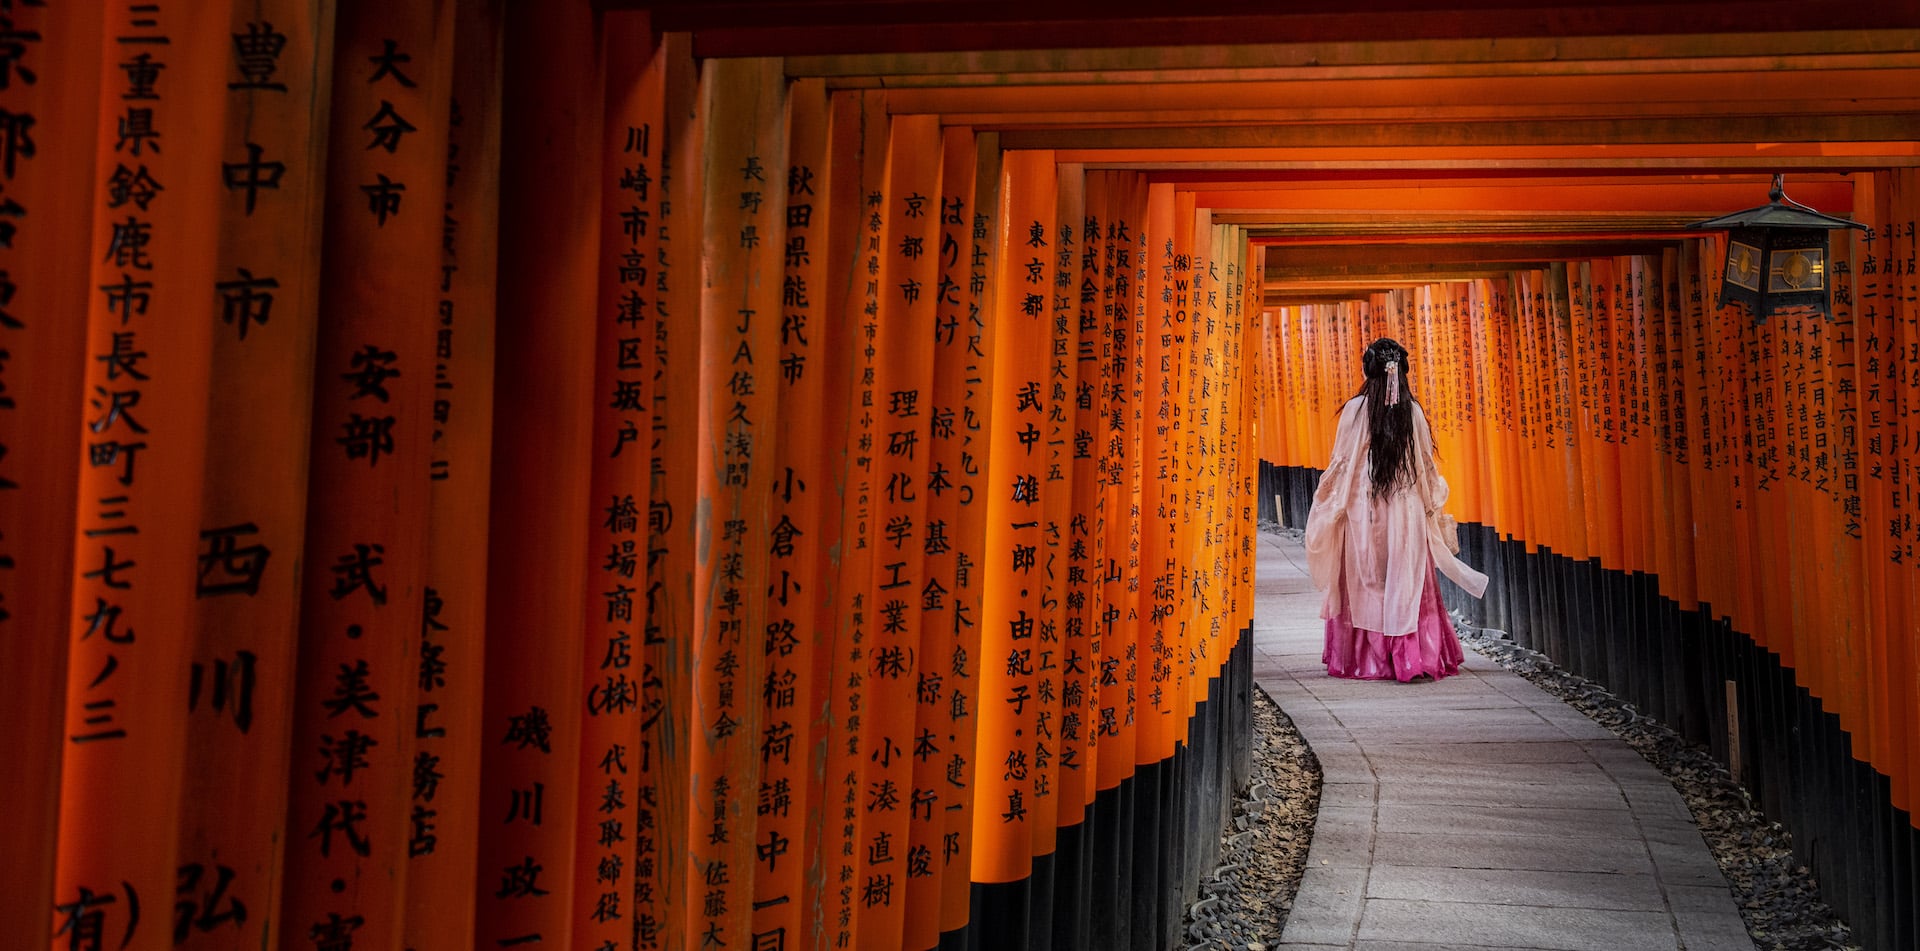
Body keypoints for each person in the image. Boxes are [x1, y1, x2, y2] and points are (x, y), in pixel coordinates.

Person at [1304, 337, 1488, 682]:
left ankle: (1365, 659)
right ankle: (1408, 657)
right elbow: (1424, 467)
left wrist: (1327, 507)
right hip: (1405, 509)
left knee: (1365, 581)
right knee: (1405, 580)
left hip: (1361, 509)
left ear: (1367, 370)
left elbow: (1341, 464)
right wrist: (1432, 506)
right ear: (1402, 372)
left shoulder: (1354, 410)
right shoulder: (1413, 412)